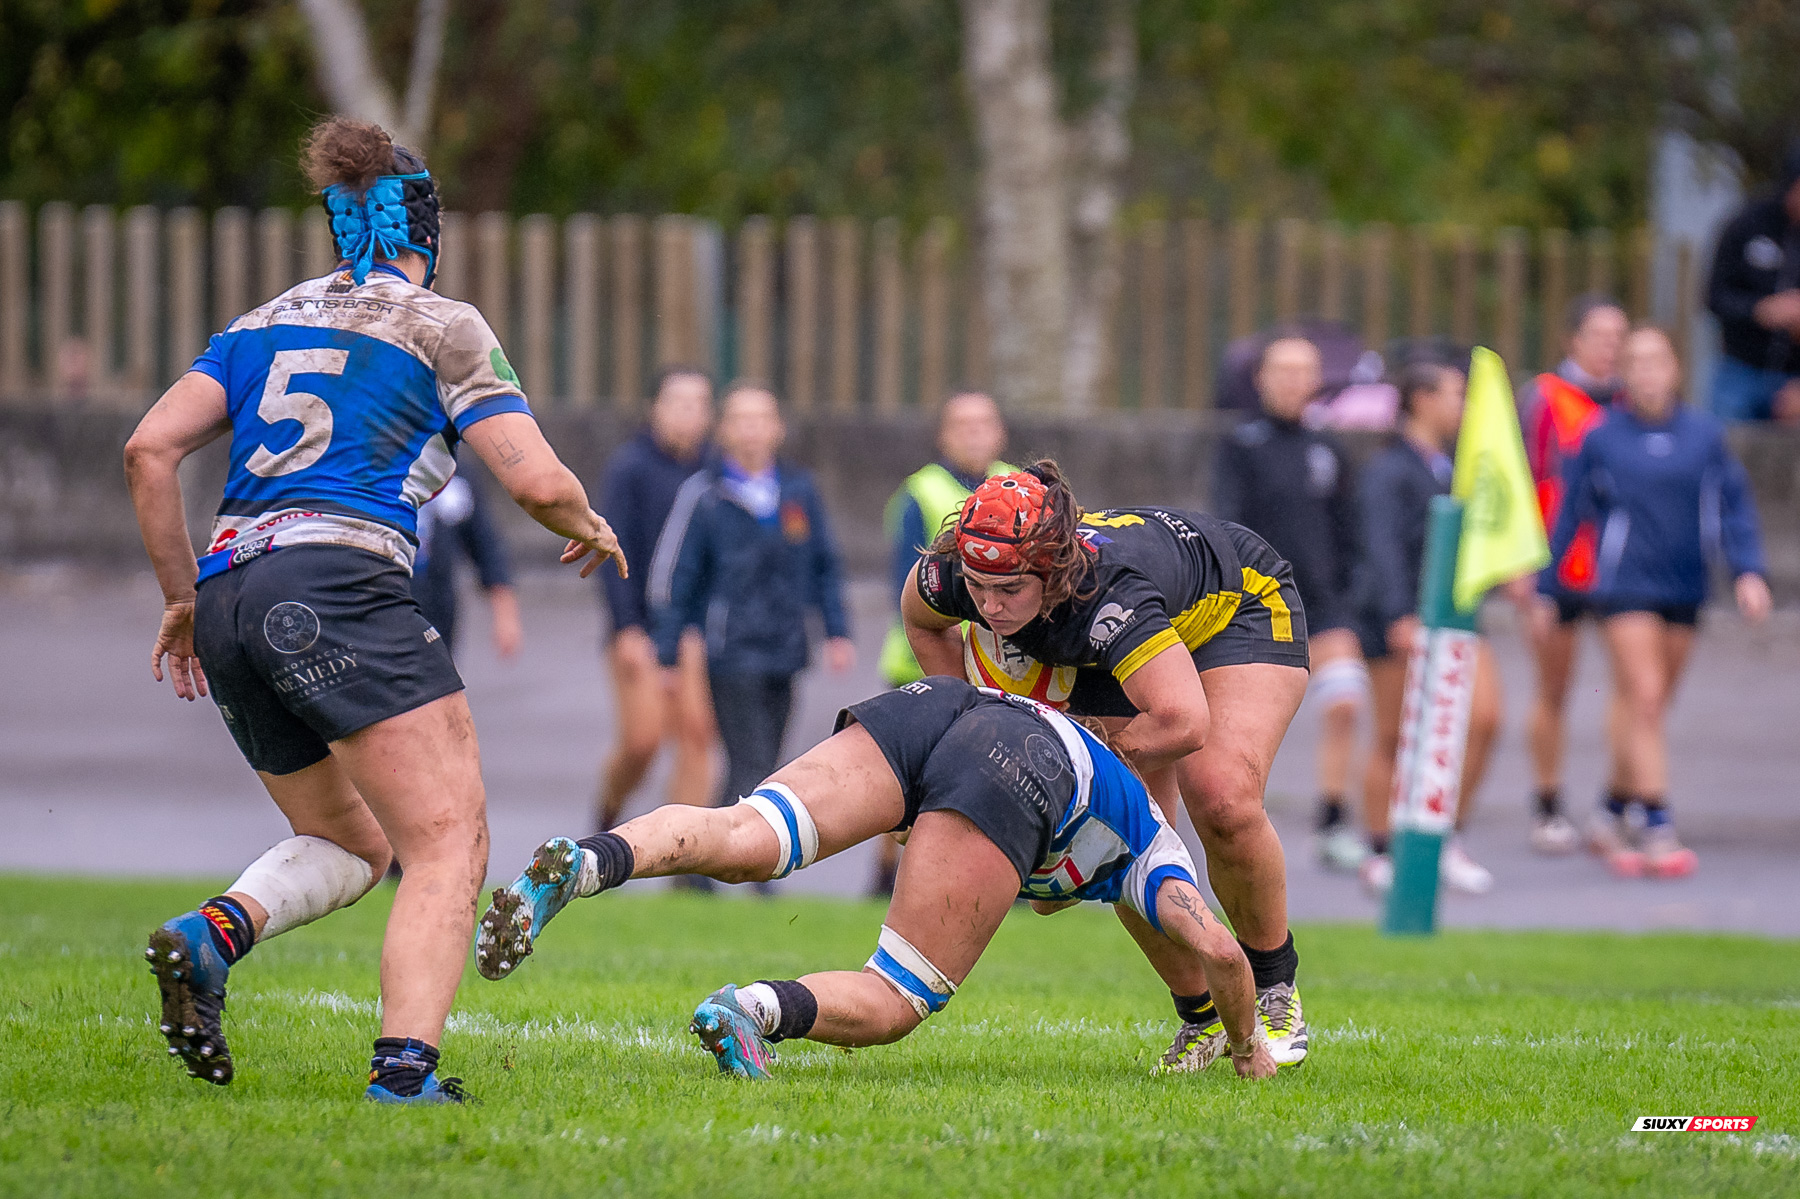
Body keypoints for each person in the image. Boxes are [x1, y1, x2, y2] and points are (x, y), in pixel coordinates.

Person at [122, 116, 623, 1104]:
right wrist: (590, 520)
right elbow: (534, 479)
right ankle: (405, 1075)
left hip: (228, 589)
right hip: (337, 580)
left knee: (361, 842)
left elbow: (147, 448)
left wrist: (182, 595)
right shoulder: (443, 324)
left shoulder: (260, 322)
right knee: (450, 839)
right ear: (424, 237)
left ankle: (210, 934)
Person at [474, 676, 1278, 1081]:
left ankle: (586, 861)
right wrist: (1248, 1047)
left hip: (940, 708)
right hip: (1016, 766)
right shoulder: (1150, 851)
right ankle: (747, 1009)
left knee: (748, 833)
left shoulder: (1116, 812)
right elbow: (1225, 952)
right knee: (897, 995)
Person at [900, 462, 1315, 1069]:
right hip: (1119, 646)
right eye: (979, 587)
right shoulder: (958, 571)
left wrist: (1086, 768)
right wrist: (968, 715)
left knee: (1220, 794)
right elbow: (919, 617)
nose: (988, 606)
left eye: (1010, 590)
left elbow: (1183, 721)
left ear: (1052, 568)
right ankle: (1201, 1017)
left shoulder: (1103, 594)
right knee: (1120, 837)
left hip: (1238, 606)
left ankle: (1275, 985)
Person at [1547, 326, 1771, 876]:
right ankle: (1657, 823)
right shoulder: (1602, 436)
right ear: (1624, 373)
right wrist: (1549, 586)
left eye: (1658, 362)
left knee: (1650, 704)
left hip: (1685, 586)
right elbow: (1571, 513)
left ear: (1676, 369)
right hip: (1624, 586)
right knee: (1644, 696)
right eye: (1637, 363)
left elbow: (1734, 506)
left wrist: (1748, 572)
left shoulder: (1704, 435)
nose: (1648, 373)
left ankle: (1610, 809)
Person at [649, 381, 854, 876]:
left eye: (762, 418)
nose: (752, 429)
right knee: (751, 759)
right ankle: (753, 870)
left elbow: (824, 563)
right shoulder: (705, 494)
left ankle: (700, 865)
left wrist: (836, 630)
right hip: (730, 650)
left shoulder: (798, 491)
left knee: (768, 760)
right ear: (723, 430)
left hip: (785, 646)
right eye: (740, 418)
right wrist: (667, 652)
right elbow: (674, 577)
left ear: (779, 429)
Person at [1213, 335, 1367, 874]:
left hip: (1324, 606)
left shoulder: (1329, 448)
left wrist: (1351, 590)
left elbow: (1349, 527)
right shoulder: (1241, 446)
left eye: (1303, 371)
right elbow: (1224, 526)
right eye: (1281, 370)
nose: (1292, 380)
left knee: (1346, 702)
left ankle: (1332, 819)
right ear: (1262, 378)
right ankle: (1243, 817)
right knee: (1247, 724)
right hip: (1259, 606)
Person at [1354, 361, 1505, 898]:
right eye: (1453, 393)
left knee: (1484, 718)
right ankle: (1379, 849)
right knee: (1395, 735)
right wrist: (1398, 613)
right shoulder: (1388, 469)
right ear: (1420, 398)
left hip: (1455, 617)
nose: (1462, 405)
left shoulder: (1455, 465)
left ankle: (1446, 837)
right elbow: (1380, 546)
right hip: (1397, 618)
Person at [870, 390, 1013, 893]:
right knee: (911, 772)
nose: (974, 434)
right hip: (921, 658)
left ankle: (1000, 875)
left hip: (998, 660)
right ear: (944, 435)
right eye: (962, 425)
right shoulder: (921, 491)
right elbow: (902, 580)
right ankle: (888, 874)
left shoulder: (1019, 486)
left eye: (983, 424)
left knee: (993, 770)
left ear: (1000, 432)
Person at [1521, 296, 1628, 855]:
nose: (1612, 346)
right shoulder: (1544, 398)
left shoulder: (1635, 400)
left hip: (1619, 563)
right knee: (1555, 687)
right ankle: (1548, 802)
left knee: (1638, 689)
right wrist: (1523, 568)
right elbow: (1520, 478)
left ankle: (1622, 799)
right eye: (1601, 335)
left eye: (1620, 336)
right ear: (1574, 340)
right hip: (1556, 563)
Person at [592, 367, 717, 833]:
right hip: (640, 626)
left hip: (693, 631)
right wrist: (626, 628)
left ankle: (683, 853)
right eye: (678, 403)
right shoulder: (631, 467)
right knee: (643, 741)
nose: (688, 414)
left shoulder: (714, 472)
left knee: (697, 737)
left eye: (698, 404)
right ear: (655, 409)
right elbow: (608, 551)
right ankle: (605, 816)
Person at [1706, 141, 1800, 424]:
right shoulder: (1746, 224)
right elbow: (1714, 297)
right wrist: (1760, 310)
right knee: (1731, 453)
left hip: (1794, 380)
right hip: (1740, 371)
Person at [411, 469, 522, 663]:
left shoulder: (453, 472)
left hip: (436, 608)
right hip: (376, 607)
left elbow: (485, 544)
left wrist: (505, 614)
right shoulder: (362, 467)